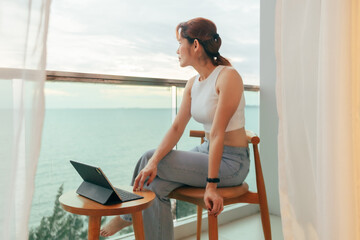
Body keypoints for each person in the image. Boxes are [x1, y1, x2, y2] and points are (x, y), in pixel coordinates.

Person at [100, 17, 250, 240]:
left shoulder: (228, 76)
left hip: (232, 163)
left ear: (195, 45)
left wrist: (211, 186)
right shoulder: (193, 83)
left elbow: (218, 132)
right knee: (154, 185)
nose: (177, 50)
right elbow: (177, 127)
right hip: (207, 151)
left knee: (150, 157)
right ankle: (134, 217)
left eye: (180, 43)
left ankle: (127, 214)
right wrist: (153, 164)